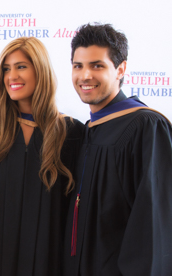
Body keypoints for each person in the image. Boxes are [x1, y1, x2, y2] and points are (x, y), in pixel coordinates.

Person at [0, 37, 84, 276]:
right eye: (6, 69)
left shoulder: (71, 133)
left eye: (21, 67)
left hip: (50, 262)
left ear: (41, 71)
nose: (11, 76)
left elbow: (74, 214)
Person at [63, 23, 172, 275]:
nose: (85, 75)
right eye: (78, 66)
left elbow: (152, 223)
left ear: (120, 69)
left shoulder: (145, 126)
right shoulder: (87, 130)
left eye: (97, 65)